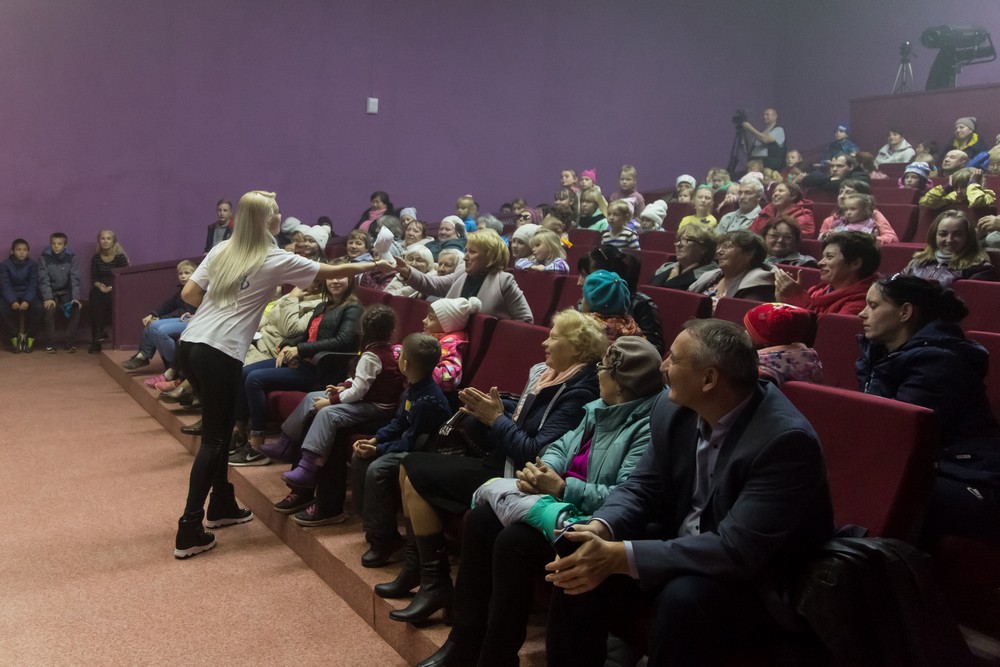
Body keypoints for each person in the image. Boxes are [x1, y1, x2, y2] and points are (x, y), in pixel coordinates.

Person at [543, 319, 835, 667]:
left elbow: (737, 549)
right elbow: (641, 486)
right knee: (579, 556)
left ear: (709, 379)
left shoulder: (785, 442)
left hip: (761, 581)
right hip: (686, 544)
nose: (663, 366)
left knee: (682, 598)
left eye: (674, 359)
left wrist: (621, 556)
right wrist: (601, 527)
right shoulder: (672, 408)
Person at [419, 337, 663, 666]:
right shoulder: (599, 408)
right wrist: (542, 470)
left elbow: (627, 495)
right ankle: (465, 641)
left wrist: (562, 488)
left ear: (621, 383)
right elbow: (561, 445)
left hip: (593, 521)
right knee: (482, 519)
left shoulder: (647, 427)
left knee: (514, 541)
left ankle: (496, 658)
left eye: (603, 367)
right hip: (558, 507)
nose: (598, 372)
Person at [173, 190, 377, 559]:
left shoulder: (222, 249)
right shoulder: (273, 257)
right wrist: (377, 263)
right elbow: (331, 272)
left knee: (219, 429)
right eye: (277, 211)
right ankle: (189, 528)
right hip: (220, 352)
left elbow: (189, 293)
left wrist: (221, 309)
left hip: (191, 344)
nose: (281, 215)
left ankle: (221, 503)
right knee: (215, 440)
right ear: (268, 220)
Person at [378, 309, 604, 621]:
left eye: (554, 337)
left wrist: (496, 419)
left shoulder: (580, 392)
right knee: (409, 468)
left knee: (414, 469)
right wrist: (492, 414)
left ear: (577, 348)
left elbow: (534, 452)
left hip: (520, 477)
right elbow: (520, 427)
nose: (545, 343)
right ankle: (420, 573)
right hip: (500, 462)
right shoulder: (546, 376)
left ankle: (434, 583)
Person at [857, 276, 1000, 546]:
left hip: (970, 476)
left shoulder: (940, 362)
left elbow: (898, 435)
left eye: (873, 306)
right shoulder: (882, 354)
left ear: (905, 312)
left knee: (883, 489)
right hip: (935, 467)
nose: (862, 313)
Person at [228, 261, 366, 467]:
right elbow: (306, 335)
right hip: (303, 362)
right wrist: (287, 345)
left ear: (351, 281)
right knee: (244, 372)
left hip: (321, 370)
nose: (335, 281)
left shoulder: (353, 309)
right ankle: (239, 431)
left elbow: (343, 341)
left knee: (255, 379)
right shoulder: (323, 306)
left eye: (341, 276)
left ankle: (256, 445)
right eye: (331, 277)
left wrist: (300, 350)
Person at [269, 305, 404, 505]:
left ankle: (307, 468)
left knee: (326, 413)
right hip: (368, 398)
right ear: (391, 331)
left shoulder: (372, 355)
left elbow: (359, 391)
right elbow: (360, 381)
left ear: (363, 330)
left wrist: (331, 401)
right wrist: (343, 387)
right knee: (311, 398)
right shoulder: (378, 350)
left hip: (377, 408)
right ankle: (285, 443)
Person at [388, 230, 533, 322]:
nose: (465, 257)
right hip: (451, 340)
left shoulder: (504, 281)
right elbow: (434, 284)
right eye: (466, 251)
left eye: (472, 252)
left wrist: (497, 334)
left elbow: (526, 320)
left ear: (489, 257)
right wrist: (407, 271)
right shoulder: (462, 272)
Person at [577, 245, 664, 354]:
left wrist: (609, 347)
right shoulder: (584, 302)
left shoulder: (641, 304)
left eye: (585, 275)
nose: (579, 282)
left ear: (608, 276)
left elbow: (655, 349)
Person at [774, 231, 880, 316]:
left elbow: (825, 332)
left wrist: (797, 297)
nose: (820, 263)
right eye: (823, 257)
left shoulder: (863, 303)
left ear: (855, 263)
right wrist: (785, 300)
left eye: (829, 257)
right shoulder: (819, 290)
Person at [120, 260, 198, 370]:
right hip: (181, 319)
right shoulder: (182, 289)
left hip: (191, 320)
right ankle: (144, 356)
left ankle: (175, 366)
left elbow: (184, 311)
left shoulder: (197, 290)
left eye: (187, 273)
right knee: (151, 325)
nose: (183, 276)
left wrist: (160, 318)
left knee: (161, 331)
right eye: (180, 273)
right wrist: (153, 314)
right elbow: (169, 304)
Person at [898, 209, 996, 287]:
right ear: (934, 236)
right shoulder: (918, 262)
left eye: (958, 234)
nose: (949, 240)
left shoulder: (980, 269)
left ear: (968, 237)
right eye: (943, 234)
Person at [744, 302, 823, 385]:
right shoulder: (810, 360)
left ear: (764, 342)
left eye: (749, 330)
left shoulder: (757, 371)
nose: (745, 332)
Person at [689, 230, 775, 306]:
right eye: (719, 247)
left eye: (727, 246)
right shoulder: (710, 276)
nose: (719, 252)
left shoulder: (758, 285)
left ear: (749, 254)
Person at [87, 230, 129, 353]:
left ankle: (101, 334)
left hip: (117, 288)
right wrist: (99, 286)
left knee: (105, 300)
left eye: (108, 238)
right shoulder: (96, 258)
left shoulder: (120, 257)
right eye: (103, 238)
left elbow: (123, 278)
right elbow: (94, 278)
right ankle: (98, 337)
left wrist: (111, 287)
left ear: (113, 241)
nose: (105, 241)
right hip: (101, 288)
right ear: (99, 241)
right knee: (94, 296)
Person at [0, 238, 42, 353]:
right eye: (18, 250)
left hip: (27, 294)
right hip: (9, 295)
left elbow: (33, 284)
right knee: (2, 309)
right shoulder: (4, 265)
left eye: (24, 250)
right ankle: (14, 336)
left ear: (28, 252)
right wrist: (12, 300)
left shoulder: (33, 265)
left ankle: (29, 336)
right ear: (12, 251)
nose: (22, 252)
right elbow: (4, 284)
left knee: (39, 308)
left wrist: (27, 300)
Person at [649, 225, 718, 291]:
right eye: (679, 240)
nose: (679, 244)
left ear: (704, 248)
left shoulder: (711, 277)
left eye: (687, 240)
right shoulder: (665, 268)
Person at [818, 191, 899, 245]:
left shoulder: (873, 225)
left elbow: (891, 238)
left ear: (865, 210)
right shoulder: (839, 223)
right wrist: (827, 235)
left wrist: (874, 240)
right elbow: (821, 239)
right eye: (846, 209)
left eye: (853, 209)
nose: (848, 212)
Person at [582, 270, 642, 342]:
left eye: (583, 296)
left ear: (590, 302)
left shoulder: (583, 330)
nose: (581, 301)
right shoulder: (633, 329)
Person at [749, 181, 815, 238]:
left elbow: (799, 240)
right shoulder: (765, 212)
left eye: (780, 191)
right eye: (774, 192)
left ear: (793, 196)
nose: (775, 194)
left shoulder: (803, 215)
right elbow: (750, 233)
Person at [919, 167, 996, 211]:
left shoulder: (987, 195)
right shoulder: (953, 197)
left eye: (964, 187)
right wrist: (947, 188)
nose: (959, 191)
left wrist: (972, 183)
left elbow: (976, 202)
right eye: (956, 187)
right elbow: (925, 203)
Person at [799, 153, 869, 192]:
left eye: (839, 166)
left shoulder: (862, 176)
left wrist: (824, 183)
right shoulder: (830, 176)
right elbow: (806, 180)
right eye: (832, 166)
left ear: (851, 167)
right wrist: (829, 179)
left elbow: (841, 186)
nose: (834, 169)